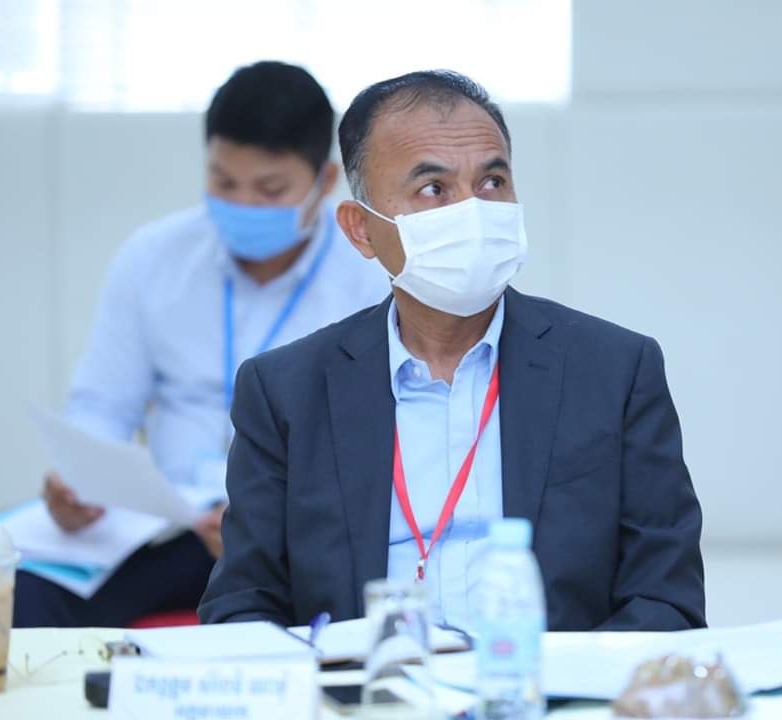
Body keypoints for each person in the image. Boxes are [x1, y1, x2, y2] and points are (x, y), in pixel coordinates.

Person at [199, 70, 705, 632]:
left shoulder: (614, 371)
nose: (473, 210)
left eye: (492, 182)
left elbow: (666, 600)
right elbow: (242, 606)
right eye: (433, 189)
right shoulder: (285, 392)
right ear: (362, 229)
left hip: (544, 680)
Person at [14, 61, 389, 628]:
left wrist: (268, 514)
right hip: (170, 530)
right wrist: (81, 483)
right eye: (224, 183)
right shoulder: (154, 258)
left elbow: (376, 440)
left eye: (270, 189)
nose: (244, 205)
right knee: (21, 593)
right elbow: (104, 404)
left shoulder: (369, 279)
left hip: (299, 532)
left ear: (325, 181)